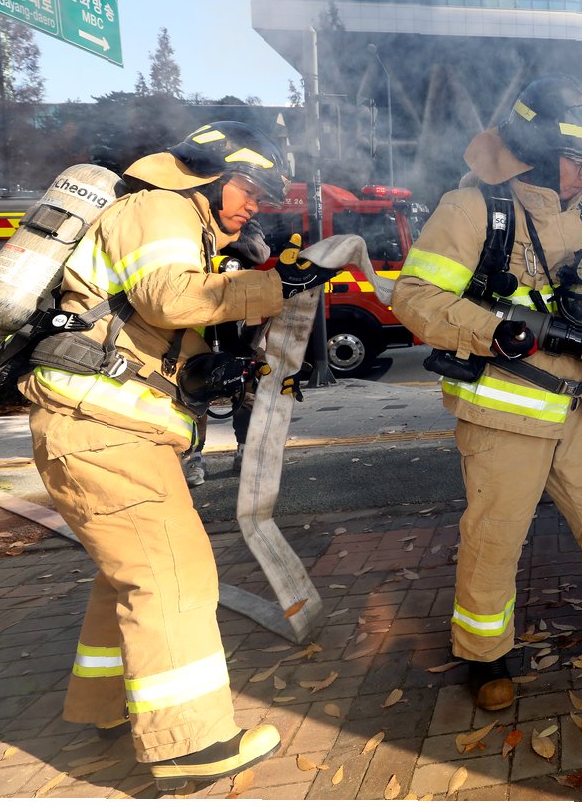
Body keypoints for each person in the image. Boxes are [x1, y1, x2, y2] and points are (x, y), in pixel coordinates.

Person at [17, 121, 340, 791]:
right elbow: (168, 299)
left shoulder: (181, 228)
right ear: (211, 177)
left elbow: (157, 335)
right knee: (173, 575)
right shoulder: (163, 207)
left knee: (128, 574)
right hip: (102, 429)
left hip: (106, 426)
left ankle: (107, 702)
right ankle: (189, 745)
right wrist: (277, 284)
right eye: (249, 188)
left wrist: (223, 365)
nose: (256, 205)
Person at [392, 75, 582, 712]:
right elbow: (415, 297)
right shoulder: (472, 210)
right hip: (504, 414)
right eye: (576, 159)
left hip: (576, 409)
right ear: (536, 148)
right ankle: (483, 654)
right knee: (495, 539)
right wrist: (496, 331)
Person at [179, 222, 271, 486]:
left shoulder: (241, 225)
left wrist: (220, 236)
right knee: (192, 391)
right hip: (198, 317)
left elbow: (258, 253)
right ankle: (193, 456)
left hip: (240, 319)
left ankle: (246, 450)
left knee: (247, 388)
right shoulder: (187, 222)